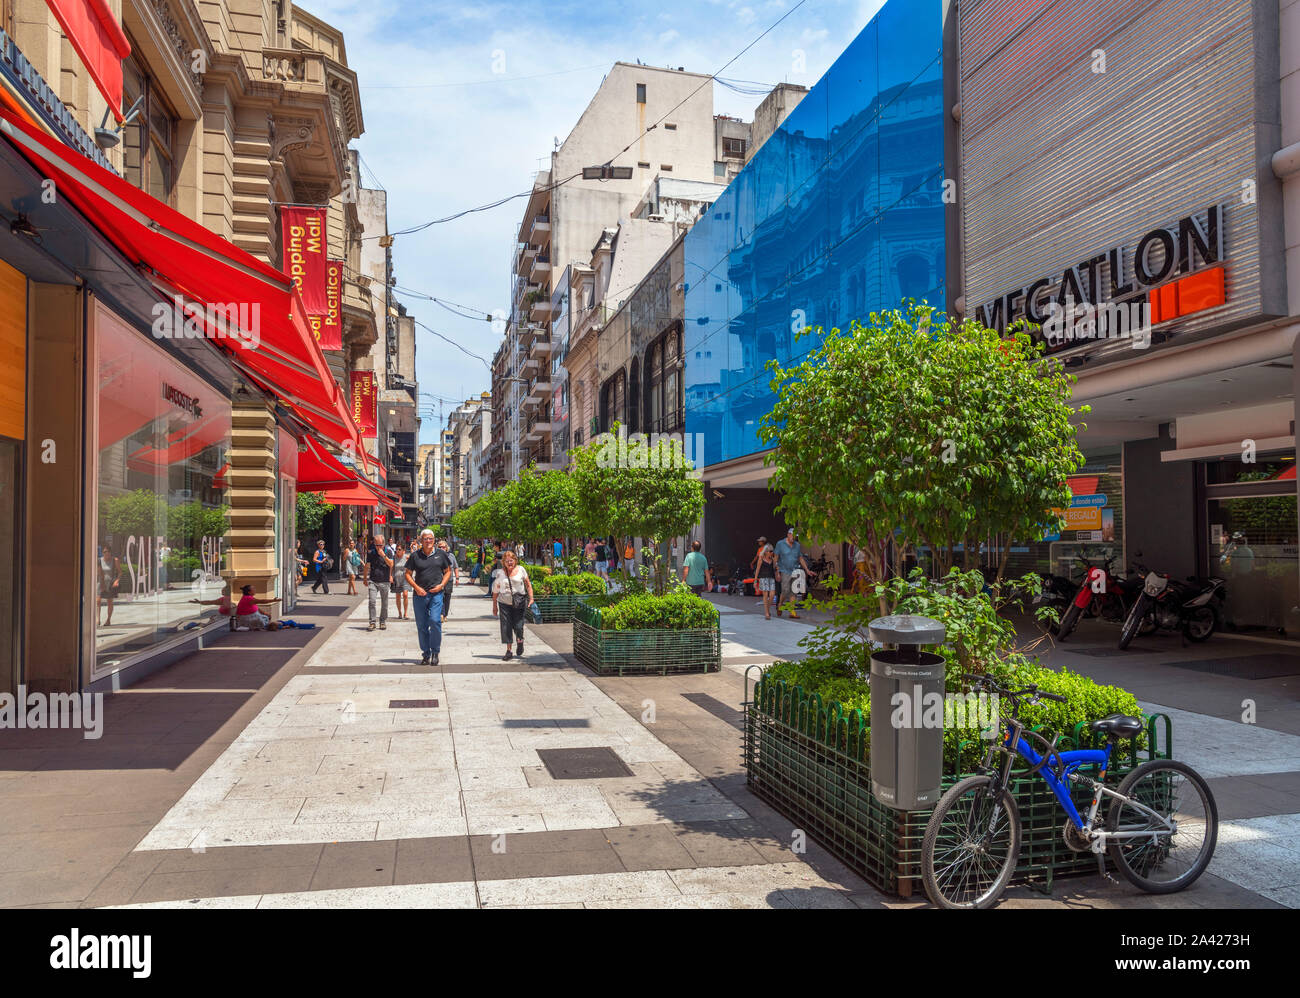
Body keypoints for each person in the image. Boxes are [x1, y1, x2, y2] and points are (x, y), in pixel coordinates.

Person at [406, 528, 451, 666]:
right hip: (420, 595)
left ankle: (435, 652)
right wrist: (416, 588)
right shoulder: (415, 556)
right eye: (425, 538)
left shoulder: (441, 554)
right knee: (422, 626)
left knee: (435, 621)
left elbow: (448, 571)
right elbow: (407, 574)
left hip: (436, 594)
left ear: (434, 540)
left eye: (430, 538)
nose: (428, 541)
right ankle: (426, 653)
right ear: (421, 540)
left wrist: (442, 585)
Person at [492, 549, 535, 661]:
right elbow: (495, 590)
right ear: (503, 562)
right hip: (504, 603)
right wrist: (494, 606)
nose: (509, 563)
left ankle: (520, 640)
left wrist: (531, 598)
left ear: (515, 561)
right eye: (507, 561)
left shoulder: (521, 570)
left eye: (511, 560)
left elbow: (528, 585)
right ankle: (509, 650)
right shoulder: (500, 574)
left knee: (519, 626)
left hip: (519, 602)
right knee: (506, 627)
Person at [774, 528, 810, 619]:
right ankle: (780, 605)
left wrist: (807, 570)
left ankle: (792, 612)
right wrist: (777, 571)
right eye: (792, 535)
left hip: (795, 570)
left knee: (793, 592)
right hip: (784, 570)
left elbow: (800, 558)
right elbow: (775, 558)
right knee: (785, 590)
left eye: (795, 536)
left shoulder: (797, 545)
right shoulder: (780, 544)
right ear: (788, 534)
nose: (793, 538)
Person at [364, 533, 393, 631]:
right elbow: (367, 565)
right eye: (377, 545)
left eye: (380, 545)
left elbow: (391, 564)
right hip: (373, 580)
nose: (378, 547)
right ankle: (372, 622)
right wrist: (364, 578)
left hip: (384, 581)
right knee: (372, 601)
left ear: (384, 544)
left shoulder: (388, 551)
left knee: (384, 603)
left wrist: (383, 555)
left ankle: (382, 621)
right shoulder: (371, 552)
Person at [97, 540, 121, 626]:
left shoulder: (115, 560)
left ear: (110, 552)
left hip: (110, 583)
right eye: (104, 552)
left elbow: (120, 572)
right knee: (98, 600)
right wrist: (101, 583)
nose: (105, 553)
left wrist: (117, 581)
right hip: (101, 582)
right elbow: (99, 573)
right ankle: (98, 619)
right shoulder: (99, 560)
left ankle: (108, 620)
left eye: (106, 552)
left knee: (109, 602)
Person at [437, 538, 458, 622]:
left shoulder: (451, 556)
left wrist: (457, 578)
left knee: (447, 598)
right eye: (440, 547)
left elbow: (456, 567)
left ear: (446, 548)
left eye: (443, 547)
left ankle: (445, 615)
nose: (442, 548)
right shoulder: (436, 556)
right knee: (440, 597)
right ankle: (441, 614)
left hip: (449, 580)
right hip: (439, 580)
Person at [392, 540, 413, 619]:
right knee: (398, 596)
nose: (397, 551)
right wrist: (390, 576)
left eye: (399, 549)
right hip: (397, 578)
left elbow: (413, 561)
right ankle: (400, 613)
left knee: (405, 594)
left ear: (403, 551)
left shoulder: (406, 557)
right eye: (397, 549)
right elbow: (391, 568)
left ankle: (406, 613)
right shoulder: (394, 558)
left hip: (405, 578)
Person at [757, 544, 777, 619]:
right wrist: (755, 580)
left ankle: (767, 609)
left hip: (771, 578)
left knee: (772, 595)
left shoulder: (773, 559)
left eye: (772, 551)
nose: (772, 553)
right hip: (763, 578)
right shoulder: (761, 558)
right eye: (770, 551)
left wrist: (777, 575)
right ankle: (766, 613)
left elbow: (775, 569)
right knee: (765, 595)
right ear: (765, 552)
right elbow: (757, 569)